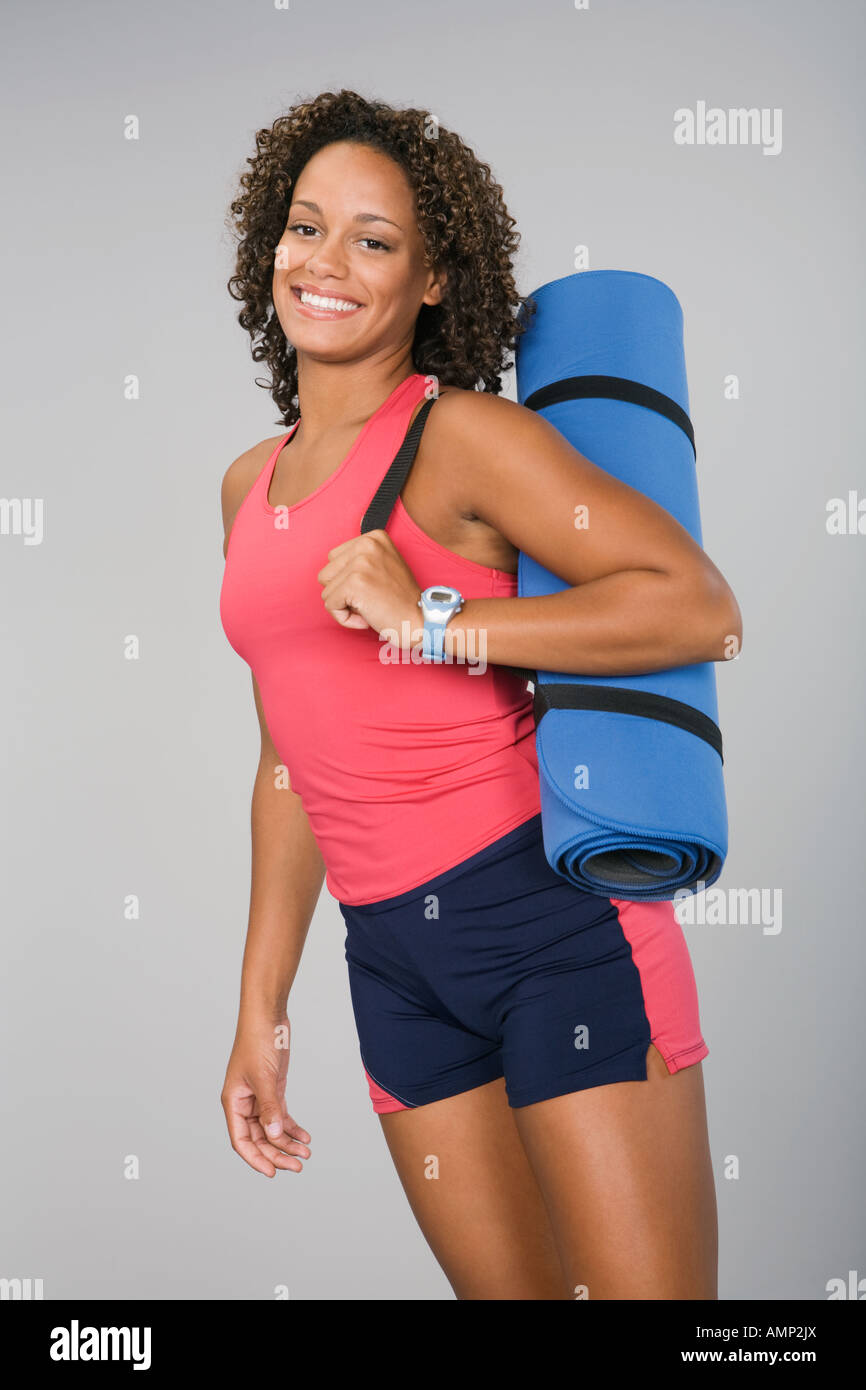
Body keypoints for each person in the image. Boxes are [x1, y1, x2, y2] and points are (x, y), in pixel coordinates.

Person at [218, 88, 741, 1300]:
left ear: (433, 279)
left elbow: (697, 605)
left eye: (373, 239)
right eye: (306, 227)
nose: (326, 263)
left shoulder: (463, 440)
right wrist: (261, 1006)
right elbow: (286, 761)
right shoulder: (247, 488)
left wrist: (434, 618)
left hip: (549, 929)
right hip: (392, 959)